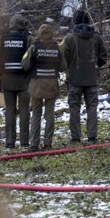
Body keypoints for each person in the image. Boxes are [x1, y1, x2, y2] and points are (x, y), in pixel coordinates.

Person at [60, 9, 107, 144]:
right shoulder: (96, 37)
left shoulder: (69, 38)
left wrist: (69, 68)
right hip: (92, 79)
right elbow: (103, 57)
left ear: (74, 21)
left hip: (74, 79)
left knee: (74, 108)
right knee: (92, 107)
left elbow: (63, 57)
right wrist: (95, 65)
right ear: (88, 21)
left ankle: (75, 137)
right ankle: (92, 136)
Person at [0, 14, 34, 149]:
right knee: (24, 110)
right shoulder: (28, 38)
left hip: (7, 79)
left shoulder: (2, 39)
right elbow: (33, 58)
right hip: (24, 80)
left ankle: (10, 142)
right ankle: (24, 141)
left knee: (10, 110)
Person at [22, 23, 65, 152]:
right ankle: (48, 143)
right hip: (52, 84)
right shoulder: (56, 48)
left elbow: (24, 64)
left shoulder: (34, 47)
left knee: (36, 113)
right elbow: (63, 67)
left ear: (39, 34)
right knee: (49, 114)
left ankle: (34, 144)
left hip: (36, 85)